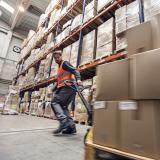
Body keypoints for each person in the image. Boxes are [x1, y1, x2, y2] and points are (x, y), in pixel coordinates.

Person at [51, 50, 82, 135]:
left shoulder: (65, 63)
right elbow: (59, 80)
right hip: (68, 88)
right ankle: (71, 128)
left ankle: (63, 121)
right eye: (55, 58)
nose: (56, 59)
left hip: (67, 87)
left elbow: (75, 70)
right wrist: (53, 88)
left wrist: (78, 79)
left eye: (58, 57)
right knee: (63, 107)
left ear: (61, 56)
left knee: (54, 102)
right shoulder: (60, 67)